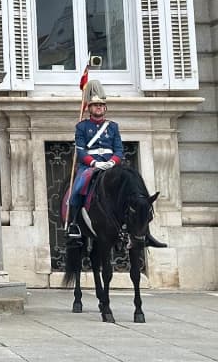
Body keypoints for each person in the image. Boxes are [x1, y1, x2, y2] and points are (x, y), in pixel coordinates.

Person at [67, 81, 166, 247]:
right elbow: (81, 151)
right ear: (89, 108)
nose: (98, 108)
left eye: (101, 105)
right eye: (95, 105)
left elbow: (119, 150)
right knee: (77, 188)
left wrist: (112, 162)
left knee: (134, 193)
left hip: (111, 165)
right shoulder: (82, 127)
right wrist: (94, 164)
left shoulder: (112, 127)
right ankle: (75, 224)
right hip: (90, 166)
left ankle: (145, 234)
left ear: (105, 108)